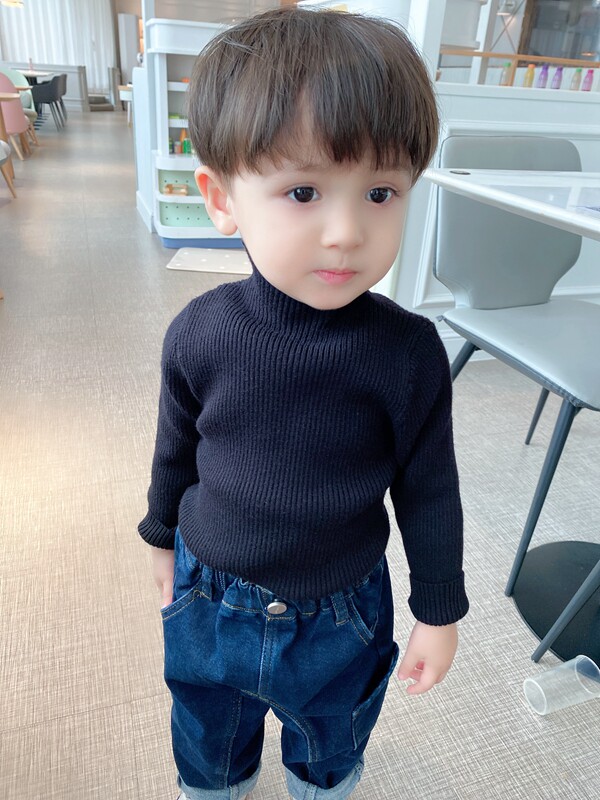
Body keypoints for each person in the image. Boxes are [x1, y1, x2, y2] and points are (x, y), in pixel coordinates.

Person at [139, 7, 469, 800]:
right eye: (304, 191)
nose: (346, 231)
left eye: (381, 191)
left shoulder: (409, 353)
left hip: (342, 611)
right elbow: (176, 448)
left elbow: (430, 489)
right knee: (207, 735)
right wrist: (159, 536)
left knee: (332, 741)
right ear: (221, 198)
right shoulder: (200, 332)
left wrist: (438, 609)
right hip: (209, 593)